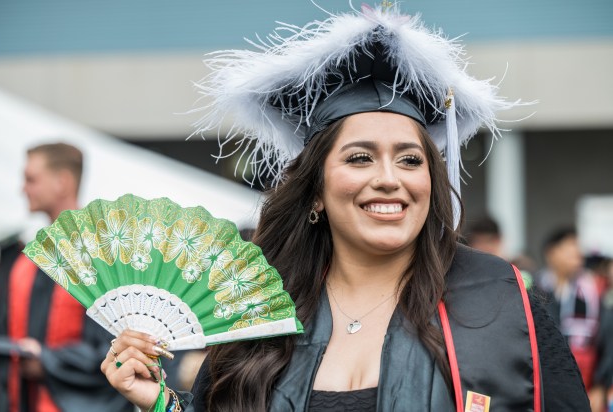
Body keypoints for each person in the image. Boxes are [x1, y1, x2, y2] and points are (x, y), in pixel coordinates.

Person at [102, 4, 589, 411]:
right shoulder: (261, 312)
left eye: (410, 159)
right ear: (315, 189)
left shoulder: (501, 302)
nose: (388, 179)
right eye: (359, 158)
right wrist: (160, 400)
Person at [0, 143, 132, 412]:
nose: (23, 189)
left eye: (31, 179)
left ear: (62, 183)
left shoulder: (100, 258)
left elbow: (115, 349)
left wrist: (47, 361)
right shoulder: (27, 261)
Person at [535, 227, 611, 409]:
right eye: (570, 247)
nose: (577, 254)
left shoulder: (593, 291)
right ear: (551, 253)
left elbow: (609, 339)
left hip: (587, 382)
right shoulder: (536, 290)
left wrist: (601, 385)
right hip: (545, 384)